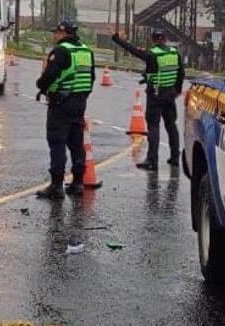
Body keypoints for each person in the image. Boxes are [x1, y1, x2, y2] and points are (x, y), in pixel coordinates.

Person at [35, 21, 95, 198]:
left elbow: (49, 76)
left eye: (56, 33)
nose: (55, 36)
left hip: (61, 103)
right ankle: (77, 183)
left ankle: (56, 186)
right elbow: (91, 77)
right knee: (77, 144)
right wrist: (82, 95)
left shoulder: (61, 51)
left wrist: (40, 84)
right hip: (79, 102)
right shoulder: (86, 51)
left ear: (63, 34)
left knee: (57, 142)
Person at [112, 27, 184, 170]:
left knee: (153, 127)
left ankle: (152, 160)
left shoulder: (152, 54)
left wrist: (116, 38)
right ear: (165, 39)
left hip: (156, 93)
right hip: (170, 93)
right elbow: (181, 73)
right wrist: (177, 90)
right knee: (171, 125)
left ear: (153, 40)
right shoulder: (175, 53)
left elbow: (133, 50)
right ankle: (175, 157)